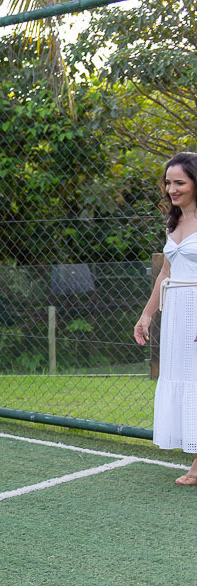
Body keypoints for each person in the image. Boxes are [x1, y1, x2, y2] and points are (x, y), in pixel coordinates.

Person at [134, 152, 197, 485]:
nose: (172, 189)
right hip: (177, 315)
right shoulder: (174, 222)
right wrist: (146, 316)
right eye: (168, 182)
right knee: (188, 381)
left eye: (180, 182)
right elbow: (166, 274)